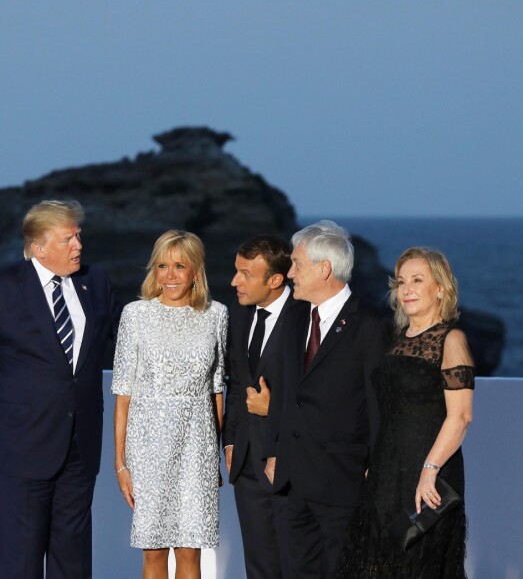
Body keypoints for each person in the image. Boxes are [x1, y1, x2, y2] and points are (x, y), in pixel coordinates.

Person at [337, 247, 475, 578]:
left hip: (430, 475)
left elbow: (460, 417)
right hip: (385, 473)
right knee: (378, 565)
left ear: (440, 288)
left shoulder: (451, 339)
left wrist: (429, 470)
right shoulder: (396, 339)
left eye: (417, 280)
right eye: (401, 282)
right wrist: (373, 464)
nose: (407, 289)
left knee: (421, 566)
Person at [0, 199, 120, 579]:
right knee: (21, 557)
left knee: (73, 556)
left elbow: (127, 341)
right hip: (22, 445)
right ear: (38, 247)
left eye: (79, 236)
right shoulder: (5, 287)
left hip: (80, 445)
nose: (79, 245)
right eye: (68, 238)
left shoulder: (96, 281)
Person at [263, 220, 388, 578]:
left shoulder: (371, 325)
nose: (289, 274)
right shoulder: (295, 318)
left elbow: (379, 404)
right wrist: (274, 451)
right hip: (291, 479)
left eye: (297, 265)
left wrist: (373, 469)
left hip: (343, 482)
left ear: (324, 268)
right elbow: (286, 391)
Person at [112, 230, 227, 579]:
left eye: (180, 266)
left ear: (196, 271)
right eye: (162, 265)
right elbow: (123, 396)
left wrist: (215, 454)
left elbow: (217, 390)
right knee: (155, 551)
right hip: (148, 450)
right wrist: (121, 465)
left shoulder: (216, 314)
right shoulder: (135, 315)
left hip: (198, 448)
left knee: (191, 552)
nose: (170, 275)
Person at [224, 235, 309, 579]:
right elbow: (233, 383)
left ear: (275, 280)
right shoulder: (237, 315)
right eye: (235, 271)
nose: (234, 282)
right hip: (246, 463)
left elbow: (323, 393)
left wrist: (274, 410)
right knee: (258, 567)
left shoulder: (308, 318)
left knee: (298, 564)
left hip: (295, 461)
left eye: (245, 274)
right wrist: (229, 441)